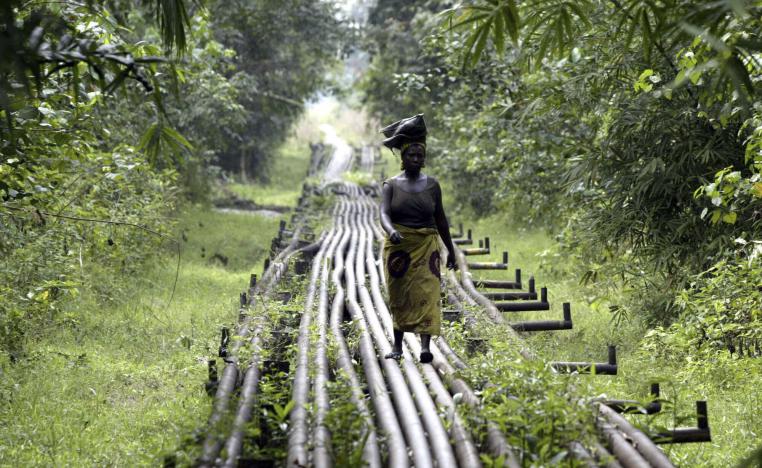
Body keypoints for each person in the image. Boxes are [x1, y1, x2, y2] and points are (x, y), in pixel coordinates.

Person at [378, 114, 457, 363]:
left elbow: (441, 219)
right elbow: (383, 213)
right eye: (411, 155)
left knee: (428, 292)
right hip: (399, 247)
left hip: (427, 246)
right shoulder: (391, 185)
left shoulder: (432, 185)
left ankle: (425, 347)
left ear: (424, 158)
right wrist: (391, 231)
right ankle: (398, 346)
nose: (416, 159)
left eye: (420, 156)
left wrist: (451, 250)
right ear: (402, 157)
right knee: (399, 294)